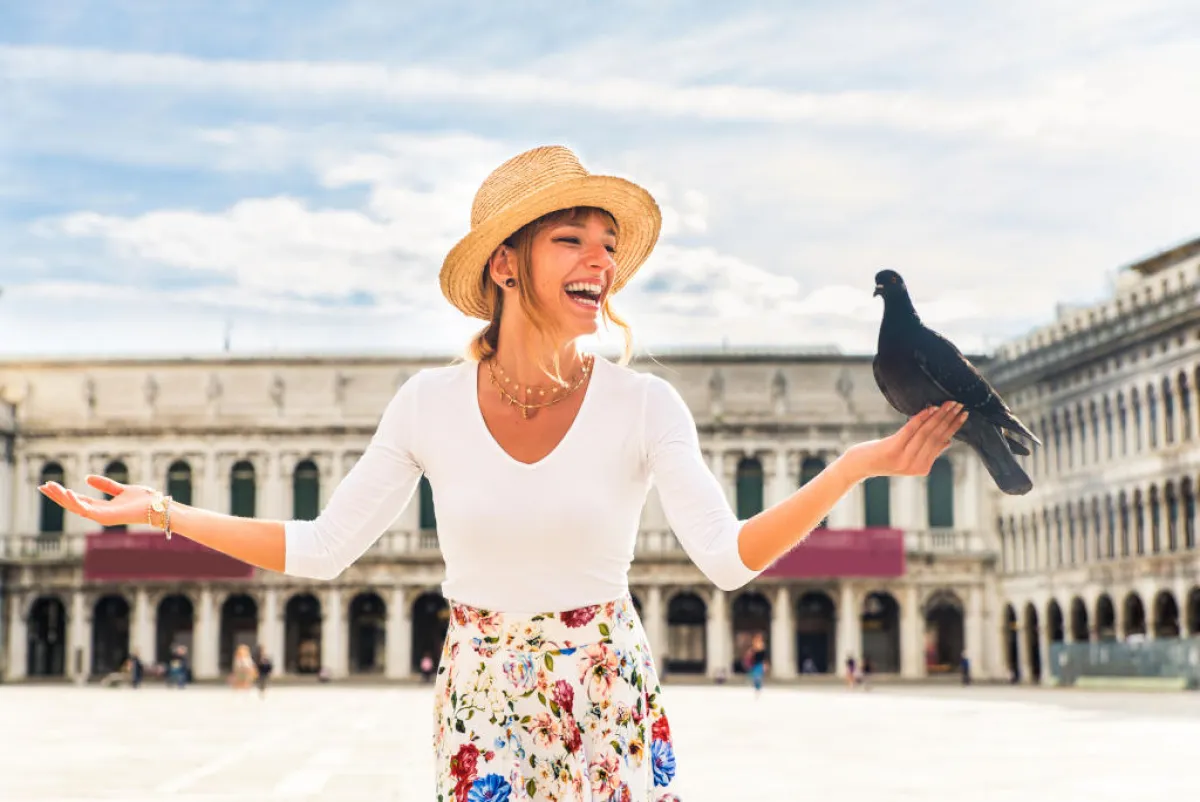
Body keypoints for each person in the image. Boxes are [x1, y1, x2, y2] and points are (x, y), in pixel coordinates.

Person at [36, 145, 969, 800]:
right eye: (573, 239)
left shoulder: (646, 405)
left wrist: (857, 465)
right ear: (506, 265)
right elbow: (320, 548)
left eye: (609, 244)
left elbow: (727, 559)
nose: (601, 260)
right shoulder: (426, 404)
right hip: (479, 697)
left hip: (607, 692)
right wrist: (160, 511)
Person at [747, 633, 769, 698]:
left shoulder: (763, 647)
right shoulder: (753, 648)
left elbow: (765, 657)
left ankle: (758, 689)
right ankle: (757, 688)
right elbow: (750, 656)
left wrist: (765, 664)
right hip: (754, 664)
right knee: (755, 677)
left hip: (760, 664)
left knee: (758, 676)